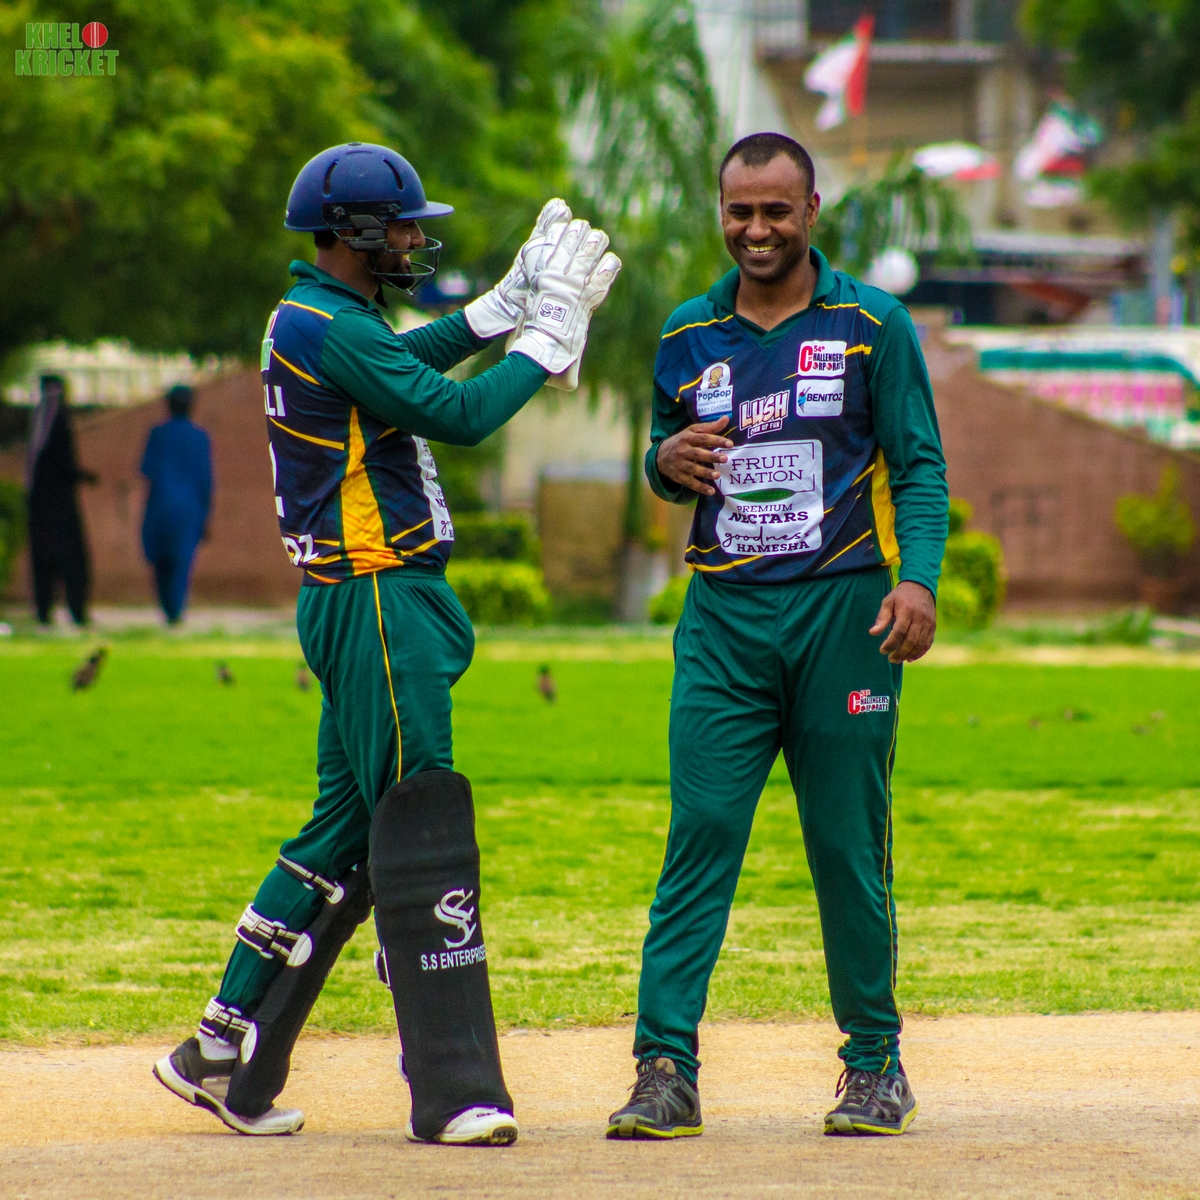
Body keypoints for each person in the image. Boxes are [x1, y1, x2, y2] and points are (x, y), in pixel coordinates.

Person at [153, 142, 619, 1142]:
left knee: (341, 833)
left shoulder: (324, 317)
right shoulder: (332, 326)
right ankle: (454, 1089)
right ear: (355, 231)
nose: (413, 238)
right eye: (403, 225)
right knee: (420, 829)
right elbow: (458, 413)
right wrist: (542, 338)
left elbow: (406, 365)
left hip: (358, 598)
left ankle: (220, 1047)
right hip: (375, 596)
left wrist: (495, 313)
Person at [606, 132, 948, 1141]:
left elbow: (919, 467)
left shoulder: (872, 325)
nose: (756, 230)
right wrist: (665, 461)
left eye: (775, 211)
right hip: (724, 623)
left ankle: (875, 1067)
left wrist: (919, 580)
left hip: (846, 617)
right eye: (740, 211)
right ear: (722, 212)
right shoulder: (686, 332)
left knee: (847, 843)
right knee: (702, 834)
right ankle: (665, 1070)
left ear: (811, 211)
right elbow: (665, 458)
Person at [26, 374, 95, 626]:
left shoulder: (40, 420)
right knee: (71, 561)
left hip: (41, 508)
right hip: (60, 511)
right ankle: (74, 611)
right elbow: (64, 463)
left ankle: (46, 611)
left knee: (44, 563)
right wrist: (83, 476)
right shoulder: (57, 421)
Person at [140, 385, 212, 624]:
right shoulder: (200, 437)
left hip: (160, 504)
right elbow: (205, 480)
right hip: (190, 508)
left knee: (161, 559)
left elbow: (147, 470)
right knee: (182, 561)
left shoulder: (158, 434)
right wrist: (206, 515)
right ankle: (175, 610)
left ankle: (168, 608)